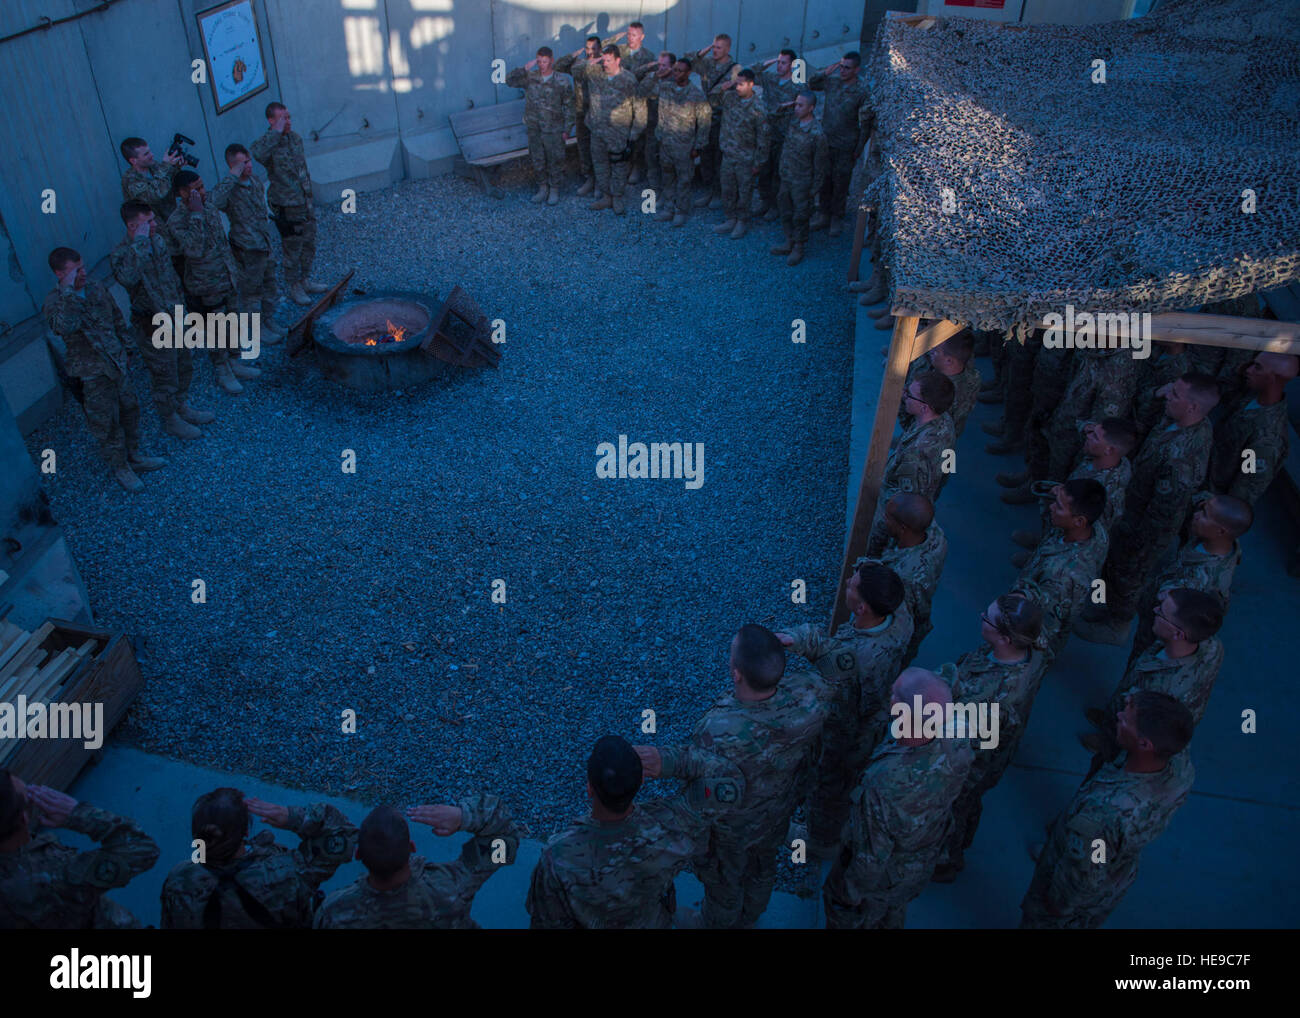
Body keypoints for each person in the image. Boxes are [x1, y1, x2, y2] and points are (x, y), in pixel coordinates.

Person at [636, 625, 827, 929]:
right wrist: (804, 641)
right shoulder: (812, 695)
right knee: (763, 867)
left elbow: (702, 778)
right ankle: (751, 916)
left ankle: (714, 924)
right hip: (778, 811)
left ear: (737, 674)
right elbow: (835, 665)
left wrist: (663, 760)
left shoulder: (718, 730)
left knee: (725, 881)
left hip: (732, 828)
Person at [1021, 691, 1194, 929]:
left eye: (1125, 720)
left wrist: (1051, 910)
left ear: (1145, 744)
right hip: (1115, 878)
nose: (1119, 717)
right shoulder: (1179, 767)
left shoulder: (1101, 816)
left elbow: (1079, 880)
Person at [823, 669, 974, 929]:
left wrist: (849, 894)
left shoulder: (885, 783)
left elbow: (870, 859)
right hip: (920, 861)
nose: (890, 697)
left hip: (884, 876)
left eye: (895, 694)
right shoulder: (959, 737)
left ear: (898, 708)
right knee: (892, 911)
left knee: (857, 916)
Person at [779, 563, 912, 856]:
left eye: (852, 584)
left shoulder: (857, 657)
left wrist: (796, 641)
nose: (848, 581)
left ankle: (819, 840)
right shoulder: (899, 617)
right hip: (876, 712)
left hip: (846, 730)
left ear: (862, 607)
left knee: (830, 783)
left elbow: (828, 667)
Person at [1078, 373, 1219, 645]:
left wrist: (1140, 542)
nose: (1168, 395)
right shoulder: (1179, 420)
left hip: (1145, 527)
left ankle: (1116, 624)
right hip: (1132, 509)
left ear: (1192, 407)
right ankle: (1103, 605)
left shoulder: (1182, 460)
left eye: (1175, 394)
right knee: (1113, 567)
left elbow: (1165, 514)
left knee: (1128, 575)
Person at [528, 736, 712, 929]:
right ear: (641, 781)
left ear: (589, 788)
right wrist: (669, 761)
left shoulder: (557, 857)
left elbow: (546, 920)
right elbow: (725, 772)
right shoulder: (675, 827)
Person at [933, 595, 1049, 881]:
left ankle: (946, 859)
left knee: (956, 806)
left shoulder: (996, 692)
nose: (981, 616)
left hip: (974, 758)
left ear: (1006, 639)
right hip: (992, 746)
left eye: (988, 618)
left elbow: (962, 733)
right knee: (970, 802)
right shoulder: (1029, 648)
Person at [43, 246, 167, 491]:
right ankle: (120, 466)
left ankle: (134, 455)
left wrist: (128, 349)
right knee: (106, 422)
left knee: (130, 410)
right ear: (60, 274)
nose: (83, 273)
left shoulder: (96, 287)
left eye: (83, 266)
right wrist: (70, 292)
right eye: (75, 271)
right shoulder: (55, 302)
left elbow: (117, 318)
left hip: (117, 363)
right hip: (92, 374)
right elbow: (64, 327)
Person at [160, 789, 357, 928]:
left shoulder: (179, 878)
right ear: (245, 831)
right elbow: (341, 837)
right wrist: (294, 818)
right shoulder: (284, 877)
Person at [316, 795, 519, 928]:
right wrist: (463, 816)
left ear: (358, 855)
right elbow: (504, 840)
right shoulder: (451, 888)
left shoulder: (334, 912)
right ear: (412, 848)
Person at [109, 201, 214, 440]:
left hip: (175, 315)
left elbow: (170, 279)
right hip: (153, 324)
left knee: (183, 364)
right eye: (149, 222)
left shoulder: (157, 241)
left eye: (154, 219)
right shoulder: (121, 254)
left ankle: (181, 405)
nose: (155, 225)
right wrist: (140, 243)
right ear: (133, 226)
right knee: (164, 373)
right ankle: (169, 418)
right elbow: (128, 278)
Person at [0, 772, 159, 929]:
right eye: (29, 795)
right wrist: (77, 813)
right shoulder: (53, 875)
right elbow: (143, 849)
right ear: (24, 818)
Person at [1089, 587, 1225, 742]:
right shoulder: (1211, 646)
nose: (1155, 610)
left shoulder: (1161, 693)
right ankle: (1110, 718)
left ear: (1178, 634)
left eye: (1161, 612)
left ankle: (1107, 739)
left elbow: (1141, 736)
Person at [1127, 493, 1249, 662]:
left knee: (1140, 662)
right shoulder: (1222, 543)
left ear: (1221, 531)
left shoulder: (1200, 581)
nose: (1197, 515)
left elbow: (1174, 616)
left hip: (1164, 628)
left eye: (1205, 514)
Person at [167, 170, 259, 395]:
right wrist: (196, 215)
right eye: (195, 190)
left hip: (226, 277)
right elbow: (194, 250)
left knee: (233, 320)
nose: (202, 192)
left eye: (202, 186)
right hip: (206, 285)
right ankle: (222, 367)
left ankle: (235, 359)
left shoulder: (209, 206)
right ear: (181, 193)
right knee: (215, 329)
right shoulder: (177, 221)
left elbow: (221, 242)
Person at [1015, 478, 1109, 658]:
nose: (1052, 507)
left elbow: (1043, 627)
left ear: (1079, 521)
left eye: (1058, 506)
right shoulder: (1095, 532)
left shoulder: (1062, 576)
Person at [866, 372, 956, 556]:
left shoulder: (915, 455)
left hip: (896, 513)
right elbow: (949, 465)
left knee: (875, 550)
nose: (904, 395)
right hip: (927, 495)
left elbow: (902, 504)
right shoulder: (945, 422)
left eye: (910, 394)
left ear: (925, 408)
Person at [251, 101, 328, 305]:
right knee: (292, 247)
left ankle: (305, 280)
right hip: (287, 206)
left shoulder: (295, 139)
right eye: (283, 118)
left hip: (305, 201)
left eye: (289, 117)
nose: (288, 121)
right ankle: (293, 286)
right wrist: (276, 132)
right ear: (271, 120)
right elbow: (257, 154)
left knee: (309, 242)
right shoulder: (266, 144)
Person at [856, 492, 946, 666]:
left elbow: (909, 616)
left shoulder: (905, 577)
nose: (883, 518)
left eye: (888, 517)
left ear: (903, 527)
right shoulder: (932, 533)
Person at [210, 144, 286, 342]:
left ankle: (268, 321)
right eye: (243, 163)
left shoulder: (254, 182)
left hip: (264, 245)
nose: (249, 165)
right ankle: (258, 329)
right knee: (252, 293)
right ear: (233, 166)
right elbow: (214, 202)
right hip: (247, 250)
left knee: (270, 286)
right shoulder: (229, 189)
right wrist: (232, 176)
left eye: (249, 160)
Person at [1206, 351, 1297, 506]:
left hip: (1208, 495)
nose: (1249, 370)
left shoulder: (1267, 439)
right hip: (1204, 468)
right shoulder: (1252, 395)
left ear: (1273, 379)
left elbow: (1241, 495)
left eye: (1257, 368)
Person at [641, 57, 710, 226]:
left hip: (685, 147)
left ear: (688, 73)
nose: (676, 73)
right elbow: (643, 90)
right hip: (665, 144)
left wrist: (698, 147)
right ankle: (669, 208)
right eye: (675, 70)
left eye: (680, 71)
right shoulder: (665, 88)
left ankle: (681, 211)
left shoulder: (696, 95)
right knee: (667, 177)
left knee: (684, 180)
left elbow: (704, 123)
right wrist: (656, 75)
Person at [506, 48, 576, 206]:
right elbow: (508, 81)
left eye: (545, 61)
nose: (542, 65)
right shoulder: (530, 77)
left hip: (554, 129)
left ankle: (554, 189)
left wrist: (567, 129)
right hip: (535, 128)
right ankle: (542, 188)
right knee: (537, 158)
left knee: (555, 159)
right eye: (539, 61)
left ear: (551, 60)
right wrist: (523, 69)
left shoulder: (561, 80)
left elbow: (569, 106)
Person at [808, 53, 868, 237]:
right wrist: (825, 72)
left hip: (845, 144)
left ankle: (837, 217)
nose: (842, 70)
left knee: (841, 182)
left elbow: (865, 123)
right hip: (827, 141)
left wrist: (858, 149)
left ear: (856, 70)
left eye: (847, 67)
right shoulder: (832, 82)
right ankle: (823, 214)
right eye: (841, 66)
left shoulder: (862, 91)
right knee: (824, 179)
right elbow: (811, 84)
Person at [584, 46, 646, 216]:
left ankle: (617, 197)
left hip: (619, 133)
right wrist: (594, 60)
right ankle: (606, 196)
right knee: (600, 164)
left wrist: (634, 133)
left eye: (608, 60)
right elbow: (574, 69)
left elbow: (639, 107)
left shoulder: (628, 80)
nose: (605, 64)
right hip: (598, 132)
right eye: (603, 60)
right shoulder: (595, 75)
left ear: (618, 60)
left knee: (619, 166)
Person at [709, 68, 769, 239]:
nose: (737, 88)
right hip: (728, 154)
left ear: (751, 84)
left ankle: (742, 221)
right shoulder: (730, 98)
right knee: (727, 188)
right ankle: (730, 218)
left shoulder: (758, 108)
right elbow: (711, 99)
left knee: (744, 192)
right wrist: (723, 86)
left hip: (746, 158)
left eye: (741, 84)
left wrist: (759, 163)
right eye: (736, 84)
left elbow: (764, 138)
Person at [769, 91, 826, 267]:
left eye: (801, 105)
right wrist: (785, 106)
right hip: (786, 177)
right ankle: (789, 240)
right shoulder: (792, 122)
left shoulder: (817, 133)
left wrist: (815, 188)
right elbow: (772, 118)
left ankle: (799, 246)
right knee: (785, 210)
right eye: (796, 104)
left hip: (803, 182)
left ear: (811, 108)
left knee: (800, 215)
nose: (796, 108)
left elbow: (821, 165)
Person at [690, 34, 738, 208]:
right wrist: (705, 51)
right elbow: (689, 61)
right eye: (714, 47)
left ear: (727, 49)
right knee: (705, 155)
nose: (715, 51)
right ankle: (709, 190)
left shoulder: (735, 69)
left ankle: (718, 193)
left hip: (722, 118)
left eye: (719, 47)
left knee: (719, 156)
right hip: (705, 116)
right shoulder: (708, 63)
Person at [754, 50, 801, 220]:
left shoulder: (798, 86)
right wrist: (772, 59)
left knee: (778, 172)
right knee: (764, 170)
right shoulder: (770, 79)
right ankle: (765, 202)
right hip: (766, 134)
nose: (779, 66)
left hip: (784, 136)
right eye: (778, 62)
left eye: (783, 63)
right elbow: (753, 71)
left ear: (792, 65)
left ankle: (775, 206)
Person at [557, 36, 605, 197]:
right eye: (587, 48)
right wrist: (573, 55)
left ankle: (600, 182)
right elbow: (558, 66)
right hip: (580, 112)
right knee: (584, 148)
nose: (590, 52)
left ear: (600, 49)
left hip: (598, 115)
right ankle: (589, 178)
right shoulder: (578, 64)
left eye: (593, 48)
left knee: (598, 150)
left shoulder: (605, 64)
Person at [120, 135, 183, 224]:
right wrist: (165, 166)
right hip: (154, 230)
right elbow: (153, 196)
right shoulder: (130, 179)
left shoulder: (154, 167)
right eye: (146, 154)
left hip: (172, 221)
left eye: (149, 151)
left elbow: (171, 187)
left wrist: (177, 167)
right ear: (133, 161)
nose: (152, 155)